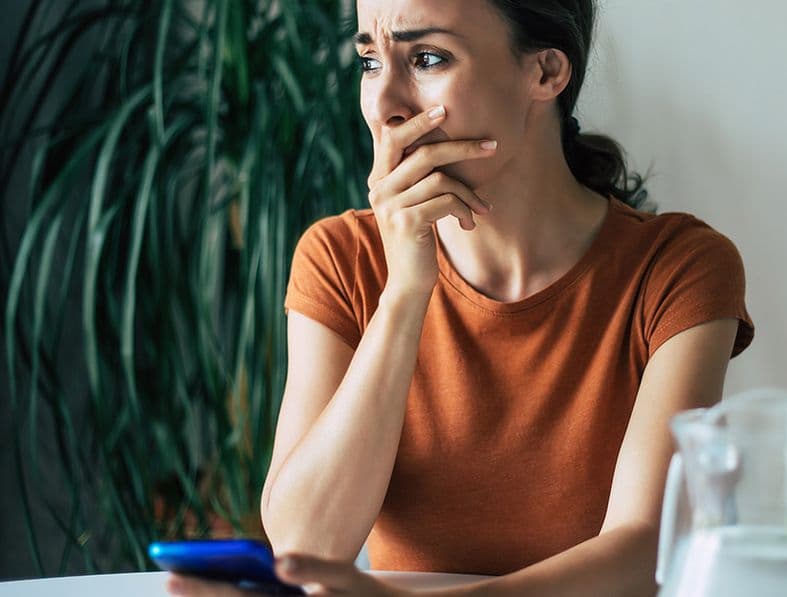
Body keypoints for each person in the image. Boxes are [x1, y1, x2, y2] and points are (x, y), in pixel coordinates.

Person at [166, 0, 753, 595]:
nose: (384, 106)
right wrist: (405, 291)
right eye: (369, 61)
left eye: (427, 58)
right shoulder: (341, 257)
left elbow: (647, 549)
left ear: (546, 71)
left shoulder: (676, 268)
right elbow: (304, 547)